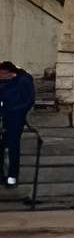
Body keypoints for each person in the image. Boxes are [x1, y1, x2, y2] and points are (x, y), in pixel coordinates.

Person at [0, 60, 36, 189]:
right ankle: (2, 175)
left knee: (13, 146)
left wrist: (13, 110)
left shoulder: (24, 81)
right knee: (2, 145)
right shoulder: (4, 82)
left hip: (16, 118)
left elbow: (29, 101)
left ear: (8, 73)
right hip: (4, 116)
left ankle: (12, 177)